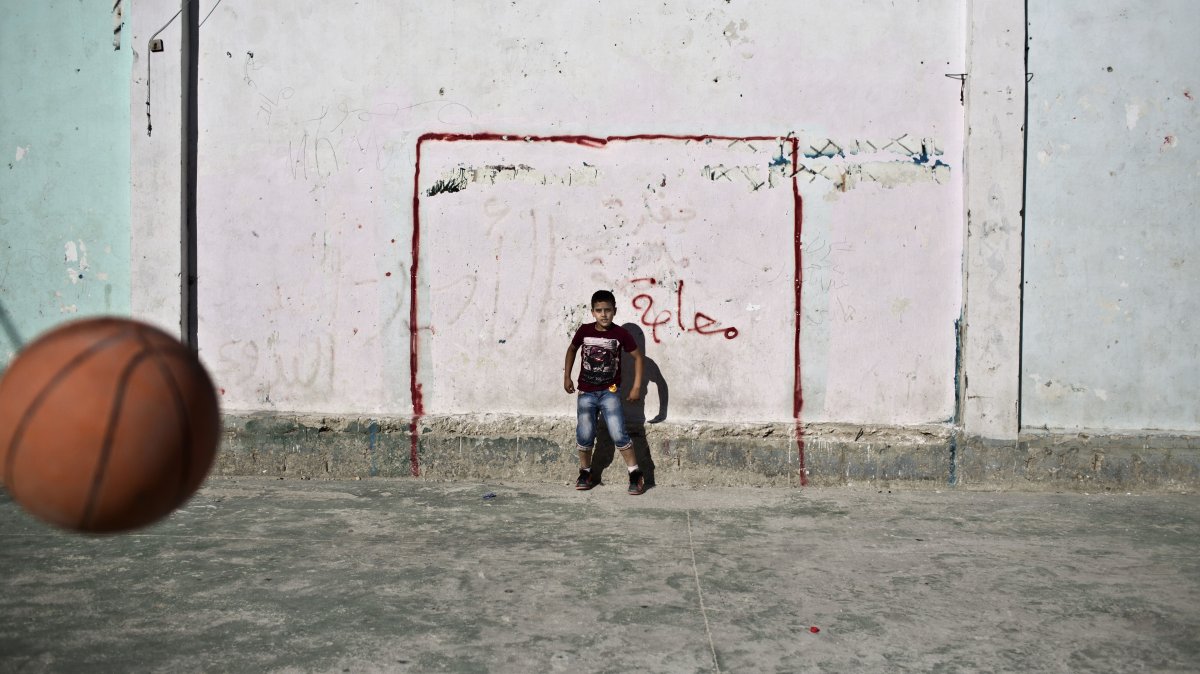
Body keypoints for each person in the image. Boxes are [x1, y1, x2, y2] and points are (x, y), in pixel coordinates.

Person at [563, 290, 645, 495]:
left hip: (610, 393)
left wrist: (636, 387)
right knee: (585, 433)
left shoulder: (620, 334)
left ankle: (635, 474)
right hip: (586, 393)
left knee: (618, 432)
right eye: (599, 310)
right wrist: (567, 376)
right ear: (592, 312)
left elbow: (638, 358)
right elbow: (572, 349)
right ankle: (585, 472)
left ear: (614, 311)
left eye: (607, 310)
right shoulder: (584, 331)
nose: (603, 314)